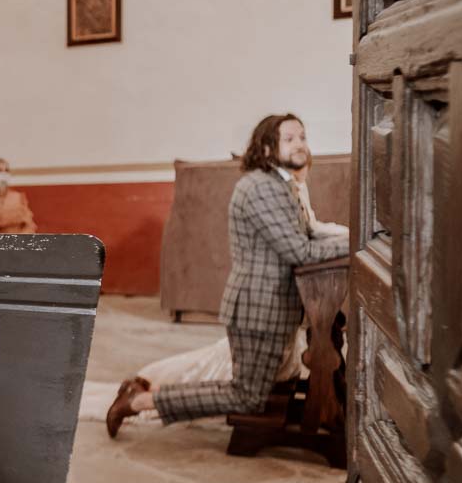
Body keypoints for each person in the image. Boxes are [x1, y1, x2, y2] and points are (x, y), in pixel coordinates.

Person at [107, 114, 352, 436]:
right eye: (289, 139)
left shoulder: (281, 185)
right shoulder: (263, 188)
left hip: (272, 308)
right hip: (259, 309)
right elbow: (299, 251)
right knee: (246, 396)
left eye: (303, 137)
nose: (300, 145)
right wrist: (355, 244)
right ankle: (139, 401)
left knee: (255, 391)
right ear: (266, 148)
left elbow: (308, 233)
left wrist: (349, 240)